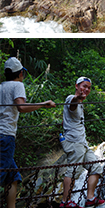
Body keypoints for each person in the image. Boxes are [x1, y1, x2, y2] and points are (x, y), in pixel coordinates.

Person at [0, 57, 56, 208]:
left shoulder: (1, 86)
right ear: (20, 74)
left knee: (13, 177)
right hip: (6, 136)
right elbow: (22, 107)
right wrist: (43, 104)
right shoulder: (17, 85)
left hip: (2, 135)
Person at [60, 77, 105, 208]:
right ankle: (65, 202)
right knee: (73, 170)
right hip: (74, 143)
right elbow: (72, 104)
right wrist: (78, 98)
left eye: (88, 88)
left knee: (96, 167)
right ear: (76, 86)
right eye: (84, 86)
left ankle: (90, 198)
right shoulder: (71, 98)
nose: (86, 89)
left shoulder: (81, 103)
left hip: (82, 143)